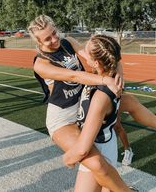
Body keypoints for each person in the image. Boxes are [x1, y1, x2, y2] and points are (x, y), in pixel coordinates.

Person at [28, 15, 132, 192]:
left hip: (82, 107)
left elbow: (91, 57)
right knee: (96, 163)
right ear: (38, 42)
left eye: (54, 33)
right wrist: (104, 80)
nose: (54, 40)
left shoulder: (67, 41)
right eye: (47, 39)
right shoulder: (41, 63)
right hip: (63, 119)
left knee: (130, 104)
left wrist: (115, 67)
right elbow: (72, 75)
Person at [63, 35, 137, 192]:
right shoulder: (111, 75)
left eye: (87, 51)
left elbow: (83, 147)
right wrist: (65, 38)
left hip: (98, 150)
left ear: (96, 62)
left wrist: (68, 157)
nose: (83, 51)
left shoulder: (101, 97)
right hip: (106, 144)